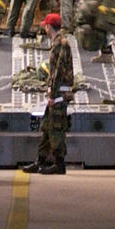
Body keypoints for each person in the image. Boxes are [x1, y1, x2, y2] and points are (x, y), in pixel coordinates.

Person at [23, 13, 77, 174]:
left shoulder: (61, 44)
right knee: (47, 127)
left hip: (59, 94)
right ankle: (40, 161)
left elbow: (58, 71)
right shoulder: (58, 43)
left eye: (45, 26)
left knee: (56, 129)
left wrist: (52, 94)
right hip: (57, 92)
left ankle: (59, 165)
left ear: (48, 27)